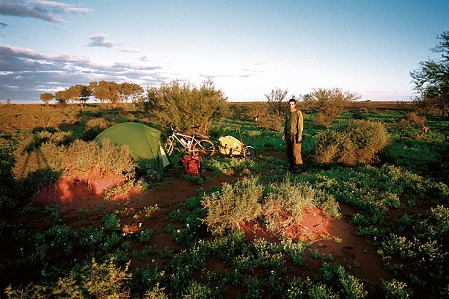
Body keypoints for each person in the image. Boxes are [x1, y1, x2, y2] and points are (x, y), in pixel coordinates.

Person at [282, 98, 303, 173]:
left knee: (296, 152)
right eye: (290, 104)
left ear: (295, 105)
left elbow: (300, 125)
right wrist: (284, 133)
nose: (291, 106)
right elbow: (286, 124)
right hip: (288, 134)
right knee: (289, 151)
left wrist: (299, 135)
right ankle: (291, 166)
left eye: (292, 104)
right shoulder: (288, 112)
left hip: (295, 135)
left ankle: (298, 167)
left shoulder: (298, 112)